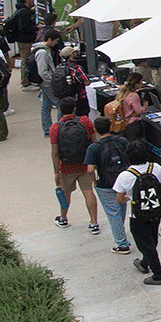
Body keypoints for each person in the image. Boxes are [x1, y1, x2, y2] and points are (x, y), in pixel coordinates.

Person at [114, 139, 161, 285]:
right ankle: (145, 262)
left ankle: (157, 274)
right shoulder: (156, 168)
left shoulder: (125, 176)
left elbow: (119, 198)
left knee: (145, 243)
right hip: (156, 211)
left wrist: (130, 197)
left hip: (138, 215)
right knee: (152, 239)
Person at [50, 96, 100, 231]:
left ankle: (63, 219)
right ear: (75, 109)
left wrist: (56, 172)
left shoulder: (55, 128)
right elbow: (94, 142)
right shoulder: (85, 121)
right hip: (84, 164)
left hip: (66, 167)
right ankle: (94, 223)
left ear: (60, 110)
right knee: (88, 192)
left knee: (65, 193)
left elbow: (55, 153)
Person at [88, 116, 134, 254]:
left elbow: (90, 169)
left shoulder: (94, 147)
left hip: (105, 183)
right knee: (121, 208)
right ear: (110, 126)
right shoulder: (122, 141)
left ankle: (122, 243)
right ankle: (120, 232)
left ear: (96, 129)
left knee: (112, 212)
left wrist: (94, 180)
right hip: (122, 180)